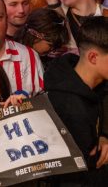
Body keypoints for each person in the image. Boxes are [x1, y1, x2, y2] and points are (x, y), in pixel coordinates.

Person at [45, 17, 108, 186]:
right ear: (93, 57)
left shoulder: (94, 82)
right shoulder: (68, 108)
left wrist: (104, 135)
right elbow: (75, 176)